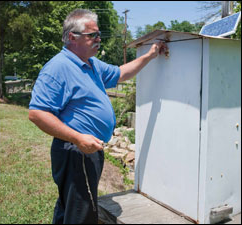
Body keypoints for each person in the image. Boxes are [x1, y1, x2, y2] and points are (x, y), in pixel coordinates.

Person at [29, 9, 168, 224]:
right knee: (81, 214)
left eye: (98, 34)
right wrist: (78, 138)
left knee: (70, 208)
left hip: (87, 150)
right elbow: (37, 113)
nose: (98, 39)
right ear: (72, 37)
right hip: (76, 152)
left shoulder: (91, 64)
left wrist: (149, 56)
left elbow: (121, 74)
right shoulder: (59, 67)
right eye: (92, 35)